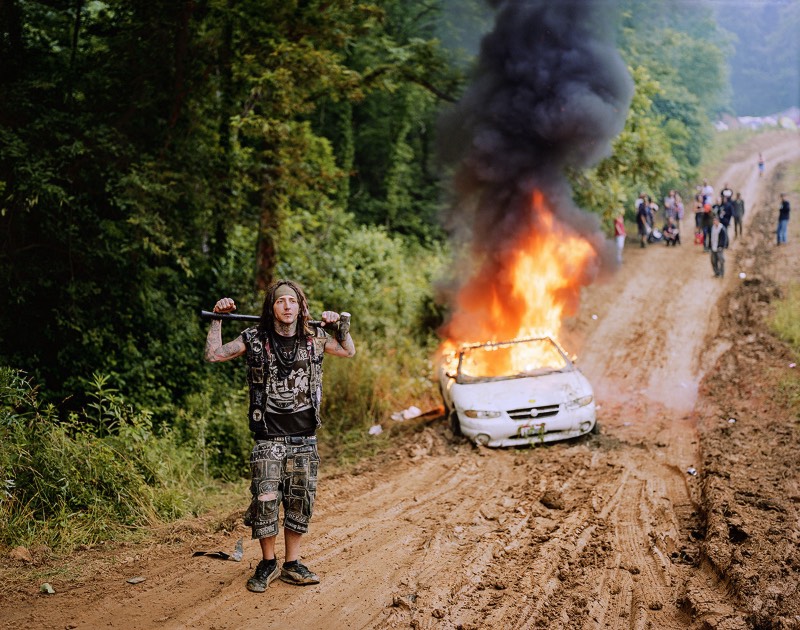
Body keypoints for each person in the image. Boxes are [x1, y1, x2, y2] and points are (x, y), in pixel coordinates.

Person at [204, 280, 356, 592]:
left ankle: (292, 563)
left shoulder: (315, 338)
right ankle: (268, 562)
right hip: (267, 438)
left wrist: (339, 325)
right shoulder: (255, 338)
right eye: (280, 301)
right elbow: (215, 355)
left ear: (301, 307)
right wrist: (217, 318)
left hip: (304, 437)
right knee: (266, 498)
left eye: (292, 301)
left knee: (300, 500)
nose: (286, 306)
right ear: (271, 307)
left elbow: (347, 350)